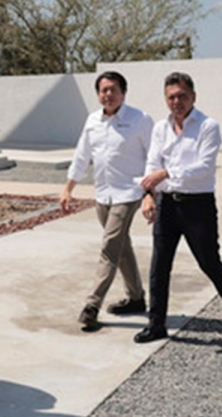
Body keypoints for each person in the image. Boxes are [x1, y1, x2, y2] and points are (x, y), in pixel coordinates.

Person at [135, 72, 222, 344]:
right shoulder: (160, 128)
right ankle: (157, 325)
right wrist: (148, 194)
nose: (176, 101)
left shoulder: (208, 126)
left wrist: (164, 173)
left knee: (209, 263)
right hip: (166, 205)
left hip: (197, 207)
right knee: (159, 267)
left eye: (182, 96)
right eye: (171, 97)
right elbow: (151, 164)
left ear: (193, 97)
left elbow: (203, 168)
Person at [61, 71, 153, 331]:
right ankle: (136, 298)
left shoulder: (140, 120)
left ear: (123, 92)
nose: (108, 95)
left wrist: (150, 193)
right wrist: (68, 188)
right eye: (103, 90)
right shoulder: (93, 121)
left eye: (113, 89)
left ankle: (91, 306)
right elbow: (82, 156)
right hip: (103, 194)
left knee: (109, 248)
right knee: (121, 247)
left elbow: (154, 157)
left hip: (129, 193)